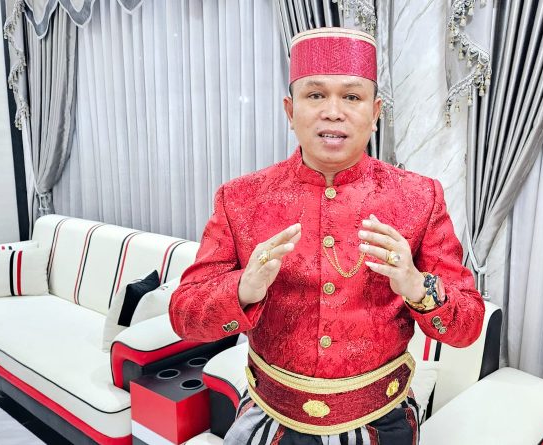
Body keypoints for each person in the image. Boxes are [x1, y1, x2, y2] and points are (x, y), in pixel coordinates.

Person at [169, 27, 485, 445]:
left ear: (375, 112)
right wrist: (243, 289)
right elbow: (184, 316)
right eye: (315, 95)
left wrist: (415, 285)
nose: (333, 112)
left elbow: (467, 325)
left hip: (382, 424)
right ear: (290, 109)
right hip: (270, 422)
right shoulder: (241, 199)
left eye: (352, 97)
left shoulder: (419, 197)